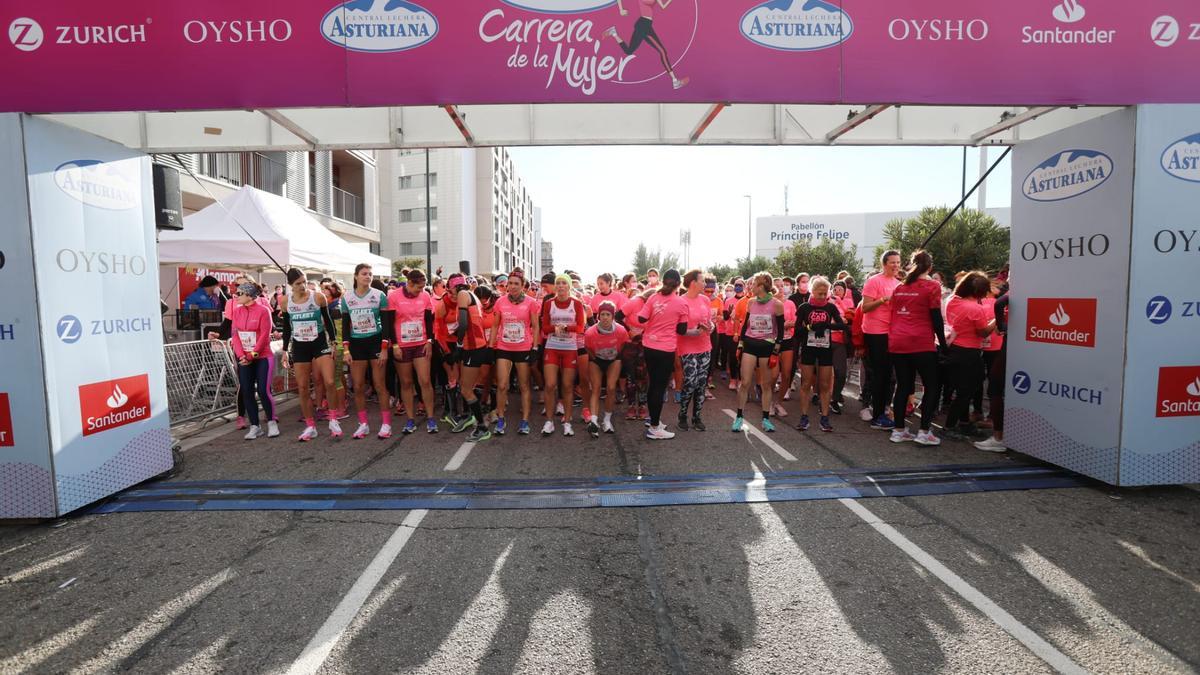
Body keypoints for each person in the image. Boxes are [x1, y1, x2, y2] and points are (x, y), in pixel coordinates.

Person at [885, 251, 948, 446]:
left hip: (898, 342)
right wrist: (944, 345)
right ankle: (923, 432)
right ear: (929, 267)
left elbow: (894, 314)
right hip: (921, 342)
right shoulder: (932, 286)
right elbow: (937, 318)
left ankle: (898, 430)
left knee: (903, 386)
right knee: (931, 386)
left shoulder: (899, 287)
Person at [281, 269, 343, 441]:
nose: (302, 286)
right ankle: (310, 426)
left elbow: (328, 320)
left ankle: (333, 419)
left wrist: (333, 342)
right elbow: (286, 328)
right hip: (300, 346)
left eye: (304, 281)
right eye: (298, 283)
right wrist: (285, 350)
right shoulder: (286, 301)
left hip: (320, 343)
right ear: (291, 285)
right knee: (302, 387)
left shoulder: (317, 297)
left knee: (329, 381)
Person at [632, 269, 689, 440]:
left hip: (649, 345)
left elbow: (641, 319)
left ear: (663, 281)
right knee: (659, 387)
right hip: (665, 349)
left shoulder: (653, 297)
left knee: (653, 385)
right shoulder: (681, 303)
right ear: (678, 284)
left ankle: (652, 419)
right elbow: (682, 330)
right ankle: (655, 427)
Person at [341, 263, 394, 440]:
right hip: (356, 344)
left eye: (370, 274)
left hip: (376, 342)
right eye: (364, 274)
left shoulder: (379, 295)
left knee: (379, 385)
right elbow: (346, 328)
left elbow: (386, 324)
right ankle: (363, 424)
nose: (368, 276)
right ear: (356, 276)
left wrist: (385, 348)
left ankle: (386, 424)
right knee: (357, 386)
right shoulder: (347, 298)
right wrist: (346, 350)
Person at [943, 271, 996, 441]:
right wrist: (996, 319)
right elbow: (983, 332)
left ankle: (964, 423)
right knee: (967, 391)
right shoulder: (974, 308)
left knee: (961, 390)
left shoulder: (952, 300)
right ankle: (950, 426)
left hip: (955, 349)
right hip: (969, 353)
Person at [731, 272, 785, 433]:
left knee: (766, 385)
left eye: (753, 284)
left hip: (767, 346)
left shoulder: (777, 304)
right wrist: (740, 345)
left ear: (761, 286)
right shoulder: (751, 302)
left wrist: (776, 351)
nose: (750, 287)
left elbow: (781, 331)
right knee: (745, 382)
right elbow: (745, 325)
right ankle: (739, 417)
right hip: (750, 344)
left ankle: (766, 419)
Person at [794, 277, 848, 433]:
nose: (823, 297)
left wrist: (826, 325)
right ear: (812, 291)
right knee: (805, 384)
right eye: (820, 294)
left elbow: (841, 325)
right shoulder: (805, 307)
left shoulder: (830, 307)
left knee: (824, 385)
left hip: (825, 349)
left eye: (825, 294)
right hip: (808, 349)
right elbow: (797, 331)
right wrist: (811, 326)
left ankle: (825, 418)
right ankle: (804, 417)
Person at [388, 268, 439, 435]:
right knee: (406, 383)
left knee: (425, 381)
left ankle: (431, 418)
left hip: (421, 344)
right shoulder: (394, 296)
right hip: (402, 346)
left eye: (424, 287)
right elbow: (389, 323)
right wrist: (394, 345)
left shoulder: (425, 296)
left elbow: (429, 320)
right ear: (409, 283)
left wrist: (430, 341)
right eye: (418, 287)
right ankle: (410, 419)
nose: (421, 290)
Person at [491, 269, 540, 436]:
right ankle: (501, 419)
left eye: (516, 284)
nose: (512, 286)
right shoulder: (500, 302)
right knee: (502, 385)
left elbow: (535, 326)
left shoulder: (531, 302)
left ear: (523, 286)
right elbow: (495, 325)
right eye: (510, 283)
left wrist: (535, 347)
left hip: (523, 348)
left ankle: (525, 420)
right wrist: (491, 347)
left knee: (524, 385)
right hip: (504, 347)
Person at [861, 250, 903, 430]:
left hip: (891, 332)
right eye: (892, 262)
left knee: (889, 375)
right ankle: (877, 416)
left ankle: (884, 411)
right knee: (880, 374)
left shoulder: (898, 283)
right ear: (884, 263)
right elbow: (864, 308)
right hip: (875, 332)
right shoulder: (874, 281)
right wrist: (882, 300)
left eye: (898, 262)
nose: (896, 265)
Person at [230, 283, 279, 440]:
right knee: (247, 391)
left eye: (240, 293)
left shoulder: (263, 311)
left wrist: (252, 355)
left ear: (250, 296)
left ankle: (272, 422)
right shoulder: (237, 311)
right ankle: (255, 426)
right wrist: (241, 355)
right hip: (244, 358)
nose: (236, 295)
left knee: (264, 391)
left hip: (262, 356)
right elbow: (235, 335)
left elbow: (265, 335)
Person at [540, 274, 587, 436]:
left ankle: (567, 422)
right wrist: (555, 329)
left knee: (567, 386)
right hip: (552, 347)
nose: (560, 286)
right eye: (558, 283)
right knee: (550, 385)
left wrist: (566, 328)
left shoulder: (576, 303)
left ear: (568, 286)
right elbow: (544, 327)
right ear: (555, 286)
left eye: (563, 283)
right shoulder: (548, 304)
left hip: (569, 348)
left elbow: (581, 327)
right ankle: (549, 421)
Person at [676, 269, 714, 431]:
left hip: (705, 346)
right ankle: (682, 414)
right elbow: (677, 327)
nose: (705, 284)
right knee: (690, 381)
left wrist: (711, 326)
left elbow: (709, 321)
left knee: (701, 383)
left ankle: (697, 417)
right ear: (693, 283)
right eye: (702, 281)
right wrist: (692, 331)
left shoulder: (705, 300)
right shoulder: (680, 301)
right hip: (686, 347)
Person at [584, 301, 629, 436]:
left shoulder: (621, 330)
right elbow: (588, 349)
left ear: (613, 316)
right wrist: (596, 358)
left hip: (614, 359)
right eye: (602, 314)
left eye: (608, 314)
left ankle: (607, 420)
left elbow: (622, 347)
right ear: (598, 316)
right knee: (596, 388)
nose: (604, 317)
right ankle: (594, 421)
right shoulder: (591, 332)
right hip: (596, 360)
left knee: (610, 387)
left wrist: (613, 357)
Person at [975, 284, 1010, 453]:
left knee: (995, 388)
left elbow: (1000, 303)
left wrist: (1003, 326)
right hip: (1029, 338)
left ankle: (999, 437)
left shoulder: (1021, 287)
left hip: (1011, 342)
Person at [829, 281, 855, 414]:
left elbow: (850, 316)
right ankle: (823, 397)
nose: (836, 291)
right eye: (835, 289)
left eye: (840, 289)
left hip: (840, 341)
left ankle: (835, 398)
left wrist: (840, 302)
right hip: (824, 342)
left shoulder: (845, 302)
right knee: (826, 374)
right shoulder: (825, 302)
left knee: (841, 373)